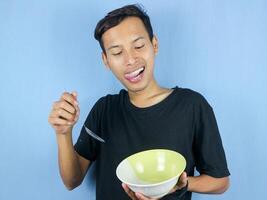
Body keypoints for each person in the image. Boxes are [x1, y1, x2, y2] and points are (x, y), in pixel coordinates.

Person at [48, 4, 230, 200]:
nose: (130, 59)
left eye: (138, 46)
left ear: (155, 45)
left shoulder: (192, 106)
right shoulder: (104, 110)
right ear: (106, 61)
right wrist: (63, 133)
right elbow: (71, 181)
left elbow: (220, 181)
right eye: (117, 52)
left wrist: (181, 184)